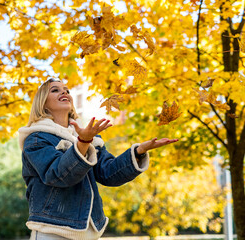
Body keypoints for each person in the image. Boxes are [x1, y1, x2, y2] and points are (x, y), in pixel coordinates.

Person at [18, 78, 178, 240]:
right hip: (52, 230)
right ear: (42, 103)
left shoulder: (88, 138)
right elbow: (58, 174)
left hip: (89, 231)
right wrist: (83, 143)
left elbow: (108, 173)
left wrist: (139, 150)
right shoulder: (36, 139)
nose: (64, 92)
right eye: (55, 90)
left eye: (66, 90)